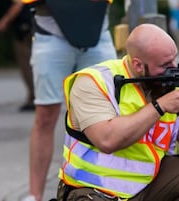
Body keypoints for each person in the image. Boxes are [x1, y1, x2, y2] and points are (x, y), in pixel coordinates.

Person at [57, 23, 179, 201]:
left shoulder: (174, 85)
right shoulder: (94, 82)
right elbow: (106, 140)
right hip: (94, 190)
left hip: (147, 185)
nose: (174, 68)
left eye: (174, 59)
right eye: (164, 64)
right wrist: (159, 107)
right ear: (138, 65)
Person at [19, 0, 117, 201]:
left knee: (109, 110)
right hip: (51, 33)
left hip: (97, 30)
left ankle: (108, 188)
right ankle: (34, 195)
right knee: (45, 116)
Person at [0, 0, 35, 111]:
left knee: (26, 64)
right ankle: (35, 97)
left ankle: (34, 98)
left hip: (24, 30)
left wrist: (4, 22)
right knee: (34, 63)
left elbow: (18, 4)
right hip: (32, 26)